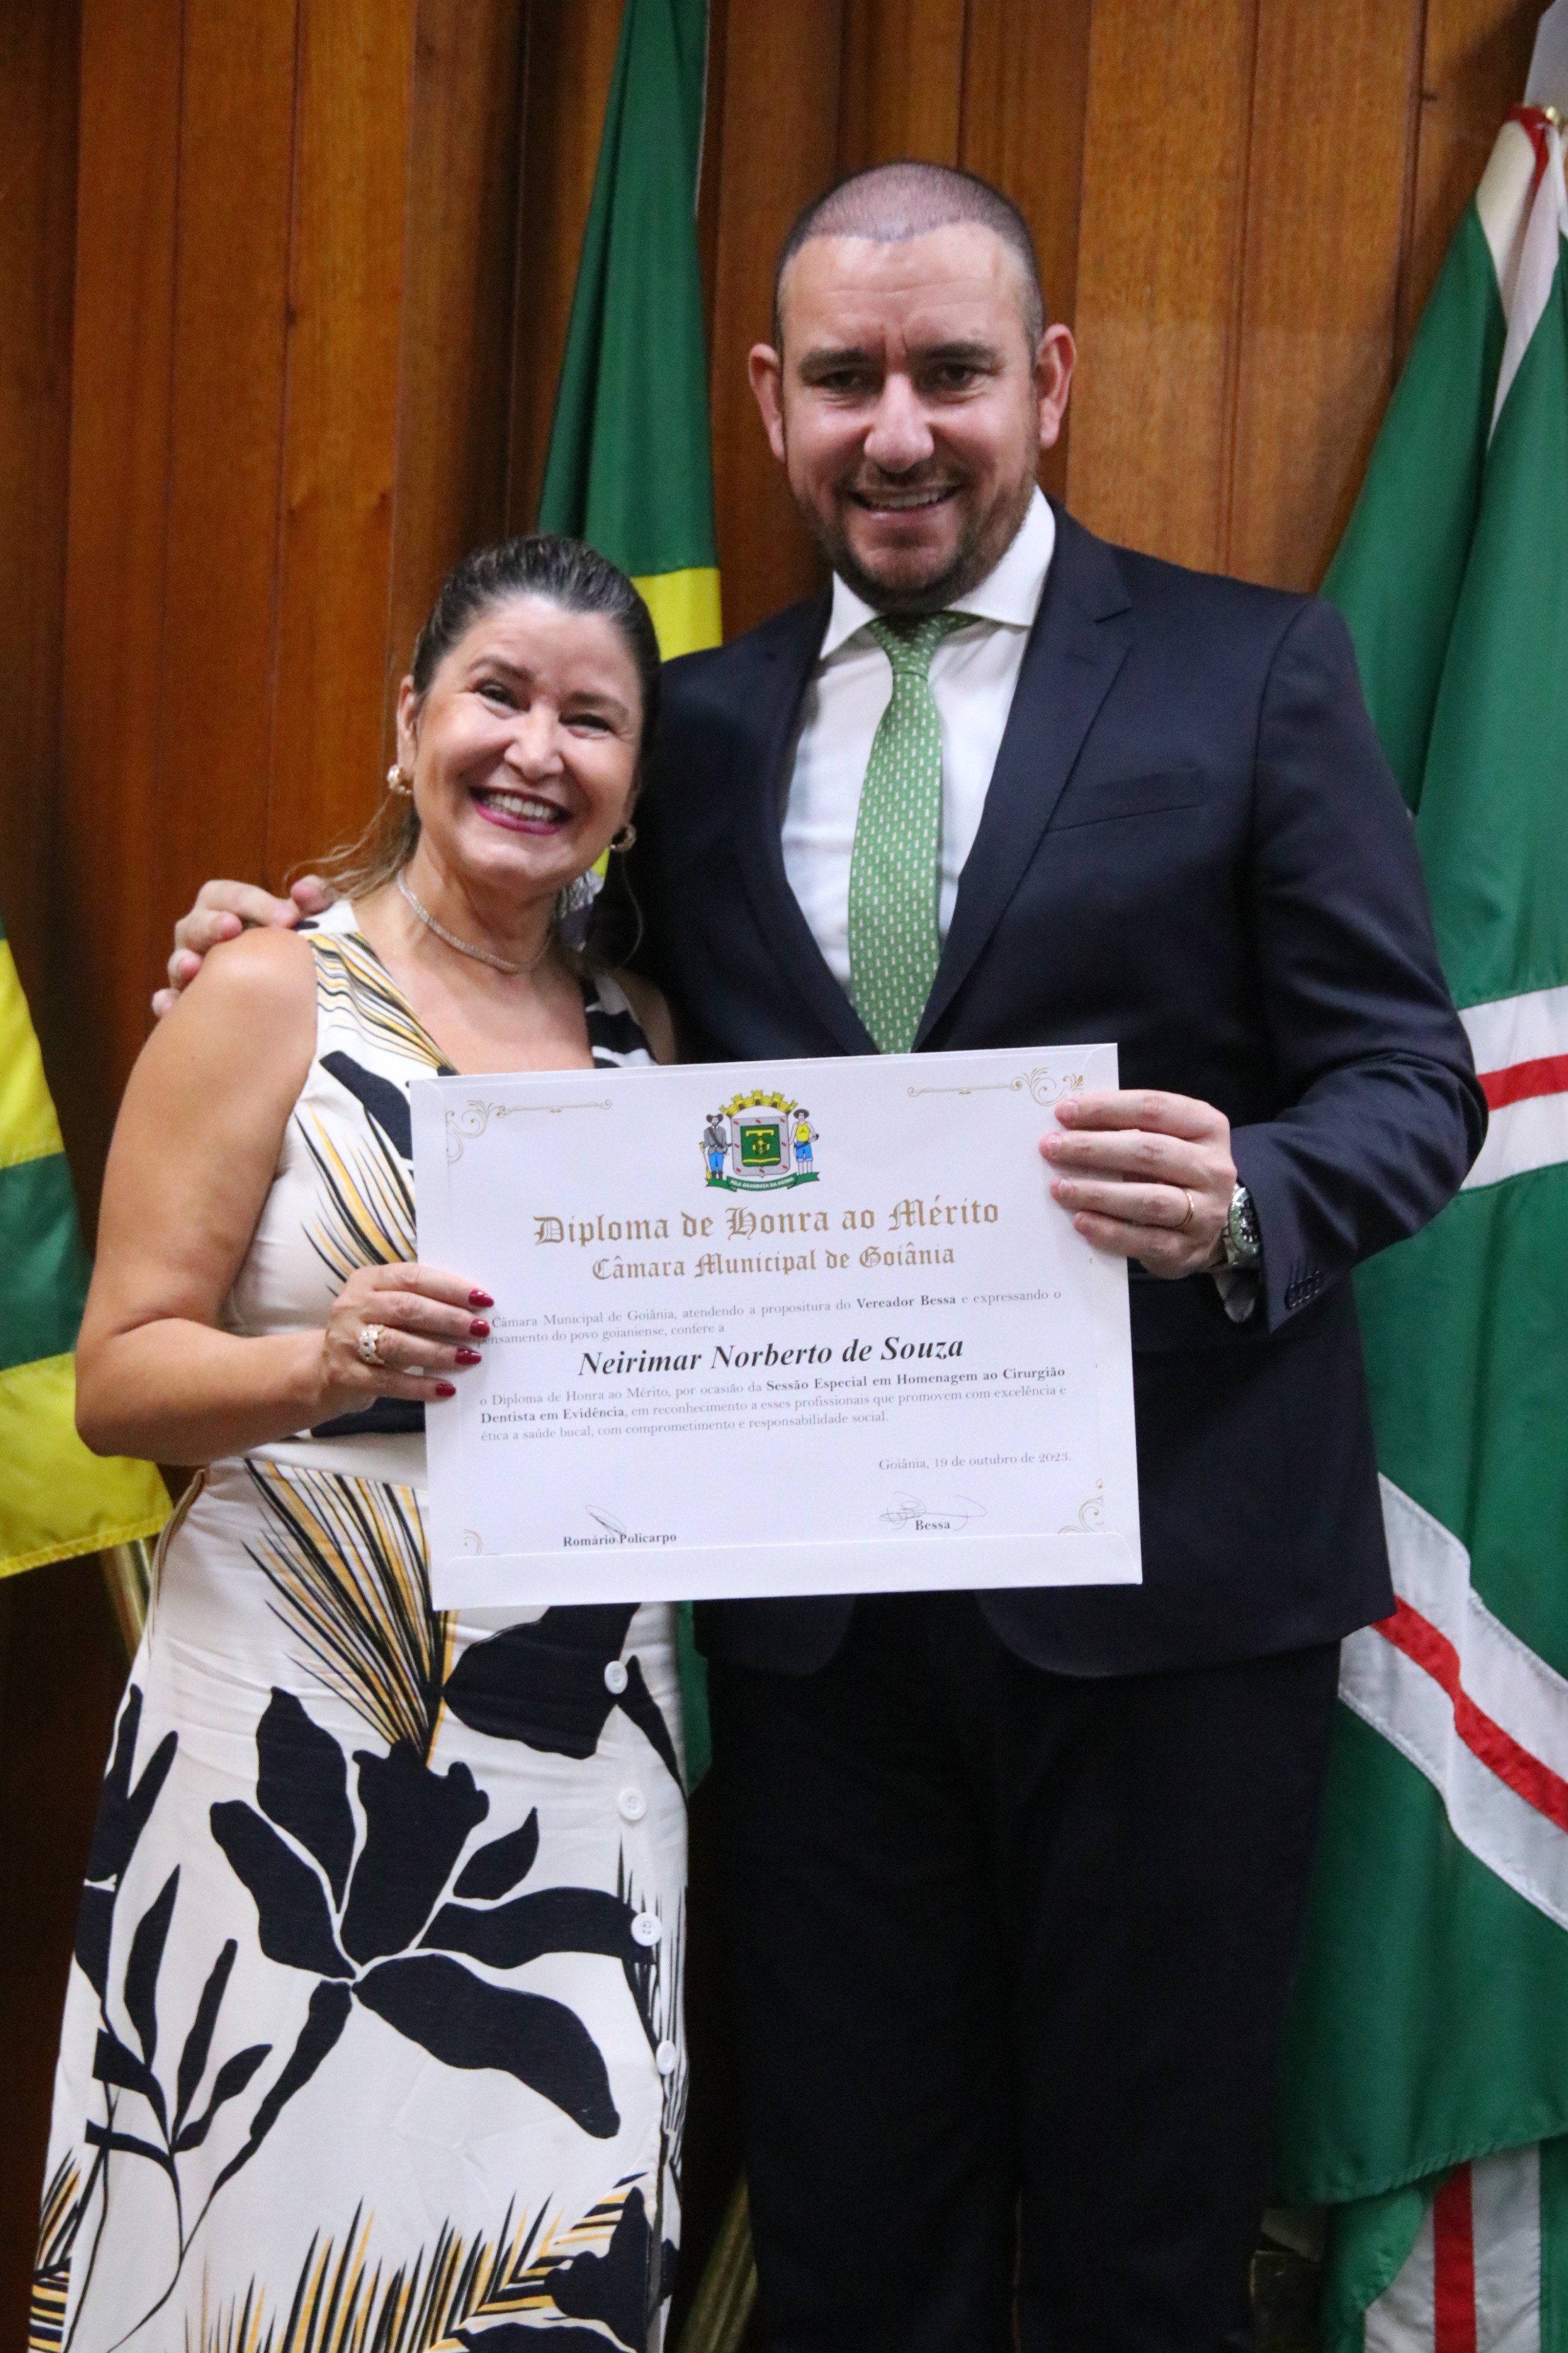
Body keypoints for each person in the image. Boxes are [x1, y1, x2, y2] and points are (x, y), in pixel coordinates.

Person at [162, 165, 1486, 2353]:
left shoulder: (1256, 670)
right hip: (815, 1648)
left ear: (1048, 383)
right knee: (860, 2257)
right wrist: (288, 945)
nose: (901, 430)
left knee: (1151, 2261)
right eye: (850, 379)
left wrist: (1251, 1191)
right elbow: (525, 982)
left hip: (1174, 1617)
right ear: (775, 402)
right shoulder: (679, 728)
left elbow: (1412, 1081)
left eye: (953, 374)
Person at [40, 538, 690, 2353]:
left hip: (581, 1747)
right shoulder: (267, 991)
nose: (537, 749)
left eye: (592, 720)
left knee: (533, 2247)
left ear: (635, 782)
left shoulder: (647, 1044)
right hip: (289, 1727)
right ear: (409, 725)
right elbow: (115, 1378)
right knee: (262, 2229)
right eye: (499, 696)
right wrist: (318, 1363)